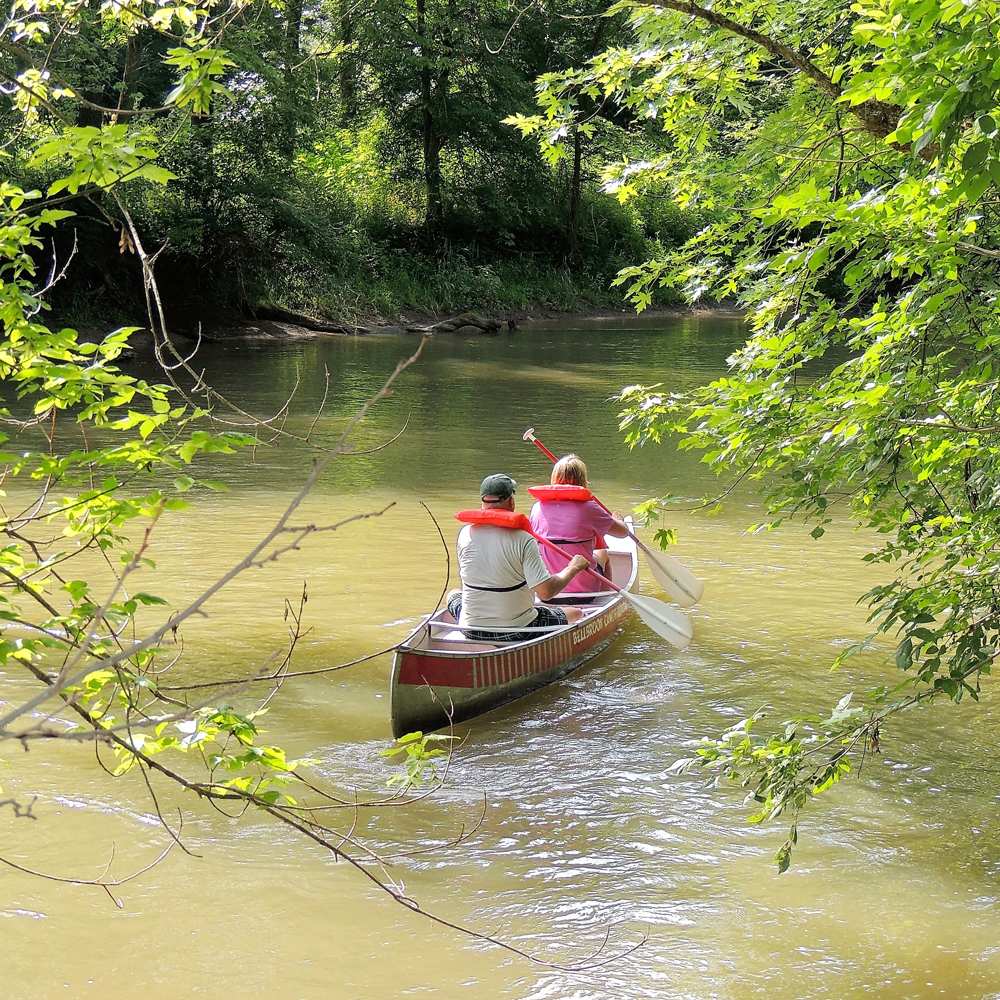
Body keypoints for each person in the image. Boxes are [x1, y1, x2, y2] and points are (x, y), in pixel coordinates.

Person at [448, 473, 590, 641]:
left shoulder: (464, 534)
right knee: (576, 613)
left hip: (470, 628)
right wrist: (573, 567)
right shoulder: (523, 539)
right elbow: (546, 592)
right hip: (517, 629)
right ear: (511, 501)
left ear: (483, 502)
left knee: (453, 594)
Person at [528, 453, 629, 596]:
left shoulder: (537, 507)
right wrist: (619, 520)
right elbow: (623, 533)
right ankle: (603, 598)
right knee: (602, 553)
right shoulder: (589, 508)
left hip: (548, 588)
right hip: (583, 591)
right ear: (582, 480)